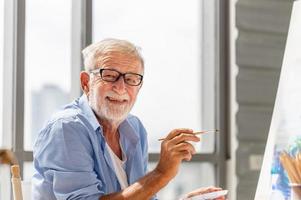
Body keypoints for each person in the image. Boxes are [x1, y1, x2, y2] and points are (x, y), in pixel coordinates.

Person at [32, 38, 226, 200]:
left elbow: (142, 195)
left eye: (131, 79)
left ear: (139, 86)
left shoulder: (134, 128)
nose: (121, 87)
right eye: (109, 75)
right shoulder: (66, 129)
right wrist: (161, 173)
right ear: (86, 82)